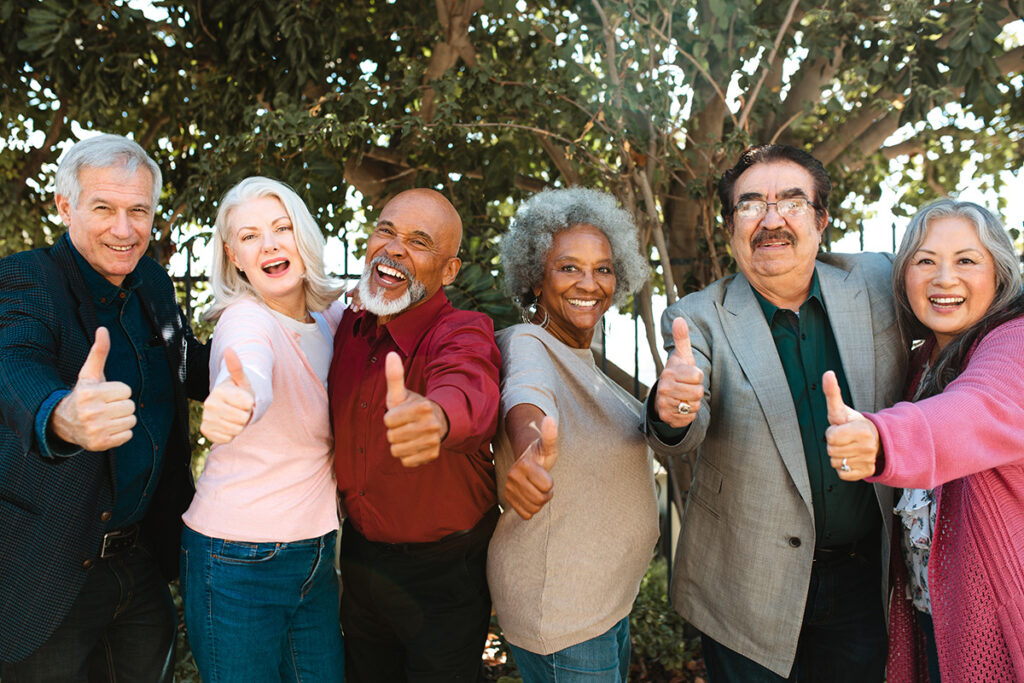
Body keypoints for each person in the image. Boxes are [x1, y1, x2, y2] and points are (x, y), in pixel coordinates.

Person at [646, 143, 906, 681]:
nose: (771, 220)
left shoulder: (880, 281)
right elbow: (684, 427)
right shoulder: (696, 317)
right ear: (730, 225)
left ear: (822, 219)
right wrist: (672, 409)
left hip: (862, 580)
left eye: (791, 202)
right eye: (750, 205)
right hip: (744, 587)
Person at [0, 134, 209, 681]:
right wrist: (62, 416)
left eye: (138, 210)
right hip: (47, 567)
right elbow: (14, 364)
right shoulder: (27, 279)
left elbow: (193, 368)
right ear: (65, 206)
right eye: (104, 209)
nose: (125, 229)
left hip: (139, 564)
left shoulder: (153, 283)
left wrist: (288, 332)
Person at [822, 199, 1024, 682]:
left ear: (999, 274)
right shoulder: (921, 363)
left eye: (966, 261)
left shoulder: (1014, 341)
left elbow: (978, 409)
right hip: (933, 619)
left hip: (999, 623)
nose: (943, 279)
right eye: (925, 260)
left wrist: (881, 437)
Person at [328, 188, 501, 682]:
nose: (395, 248)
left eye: (419, 242)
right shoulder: (347, 327)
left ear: (449, 270)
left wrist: (438, 418)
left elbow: (470, 386)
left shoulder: (462, 329)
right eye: (387, 230)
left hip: (446, 573)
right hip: (361, 561)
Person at [179, 177, 346, 681]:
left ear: (303, 237)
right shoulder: (244, 319)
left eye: (281, 227)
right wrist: (238, 398)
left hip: (315, 554)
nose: (270, 243)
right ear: (234, 256)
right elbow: (248, 370)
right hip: (237, 559)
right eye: (250, 236)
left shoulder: (332, 317)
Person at [487, 188, 657, 682]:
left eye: (603, 268)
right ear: (535, 278)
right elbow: (527, 393)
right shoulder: (529, 343)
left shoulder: (583, 361)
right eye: (568, 267)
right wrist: (530, 450)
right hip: (562, 617)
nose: (590, 282)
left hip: (603, 606)